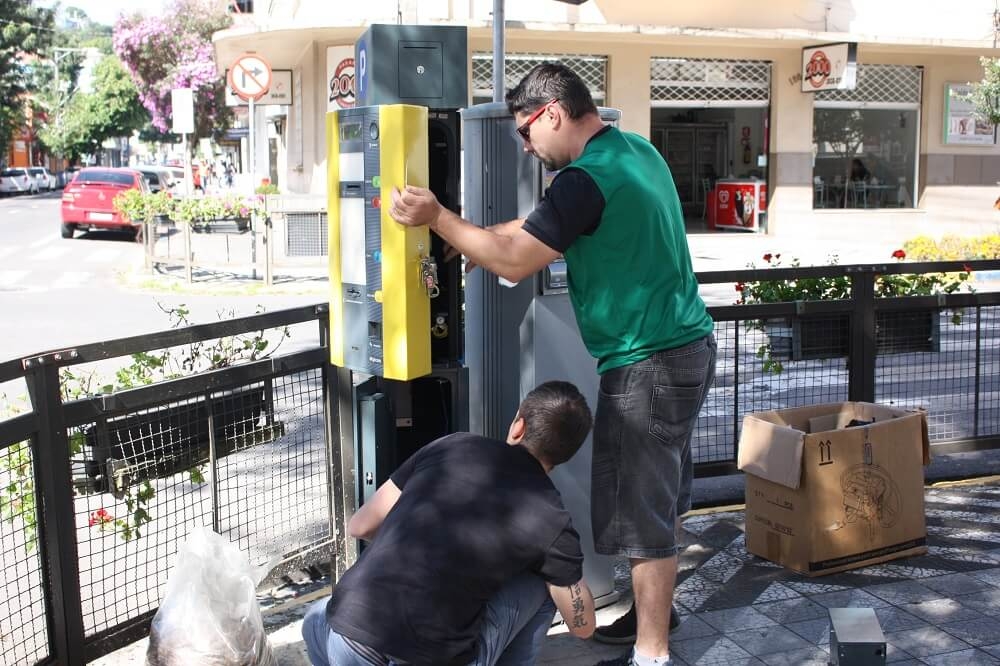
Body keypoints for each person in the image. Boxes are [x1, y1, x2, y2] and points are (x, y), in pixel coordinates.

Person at [388, 63, 717, 666]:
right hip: (687, 348)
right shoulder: (633, 151)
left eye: (526, 130)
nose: (525, 144)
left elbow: (517, 260)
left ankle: (653, 653)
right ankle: (656, 617)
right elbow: (534, 230)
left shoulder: (583, 180)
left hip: (647, 365)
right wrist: (475, 239)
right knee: (660, 502)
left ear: (554, 113)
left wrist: (440, 218)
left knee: (643, 520)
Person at [301, 380, 597, 666]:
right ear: (564, 455)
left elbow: (361, 526)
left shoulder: (452, 445)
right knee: (543, 582)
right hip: (431, 655)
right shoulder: (553, 517)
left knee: (317, 616)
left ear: (518, 426)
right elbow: (583, 628)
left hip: (348, 642)